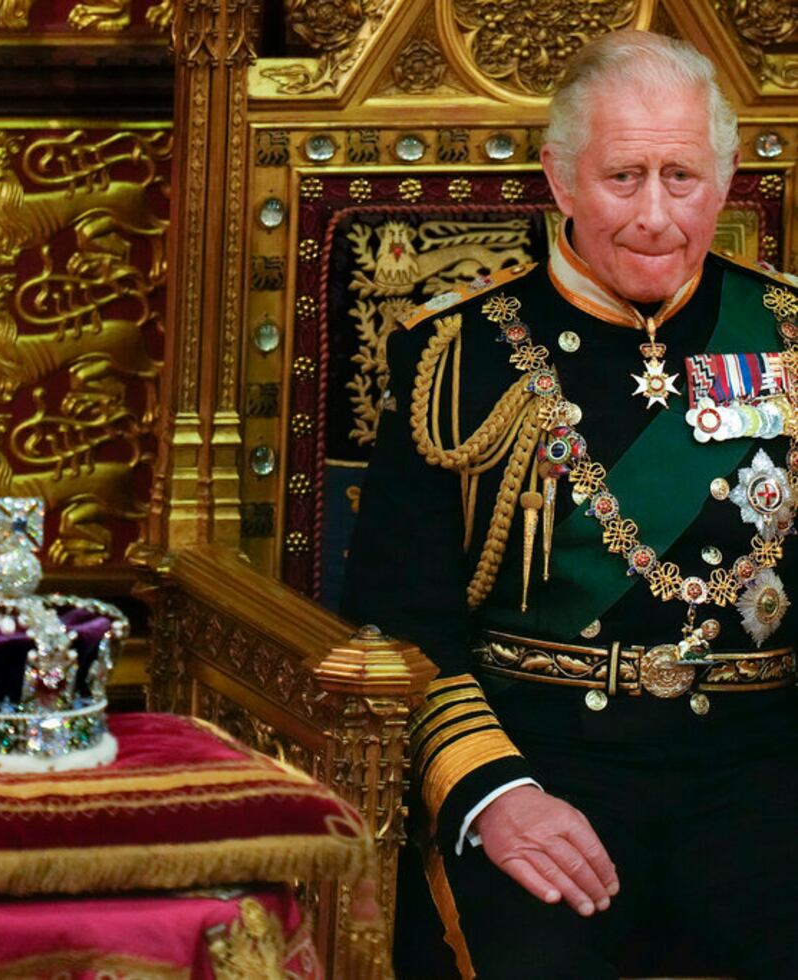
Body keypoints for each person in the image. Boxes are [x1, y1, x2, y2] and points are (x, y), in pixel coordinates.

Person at [342, 29, 798, 980]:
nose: (656, 216)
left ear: (724, 180)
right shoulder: (453, 358)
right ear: (558, 180)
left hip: (766, 774)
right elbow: (400, 619)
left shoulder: (788, 335)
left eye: (683, 176)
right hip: (545, 767)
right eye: (622, 177)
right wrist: (491, 791)